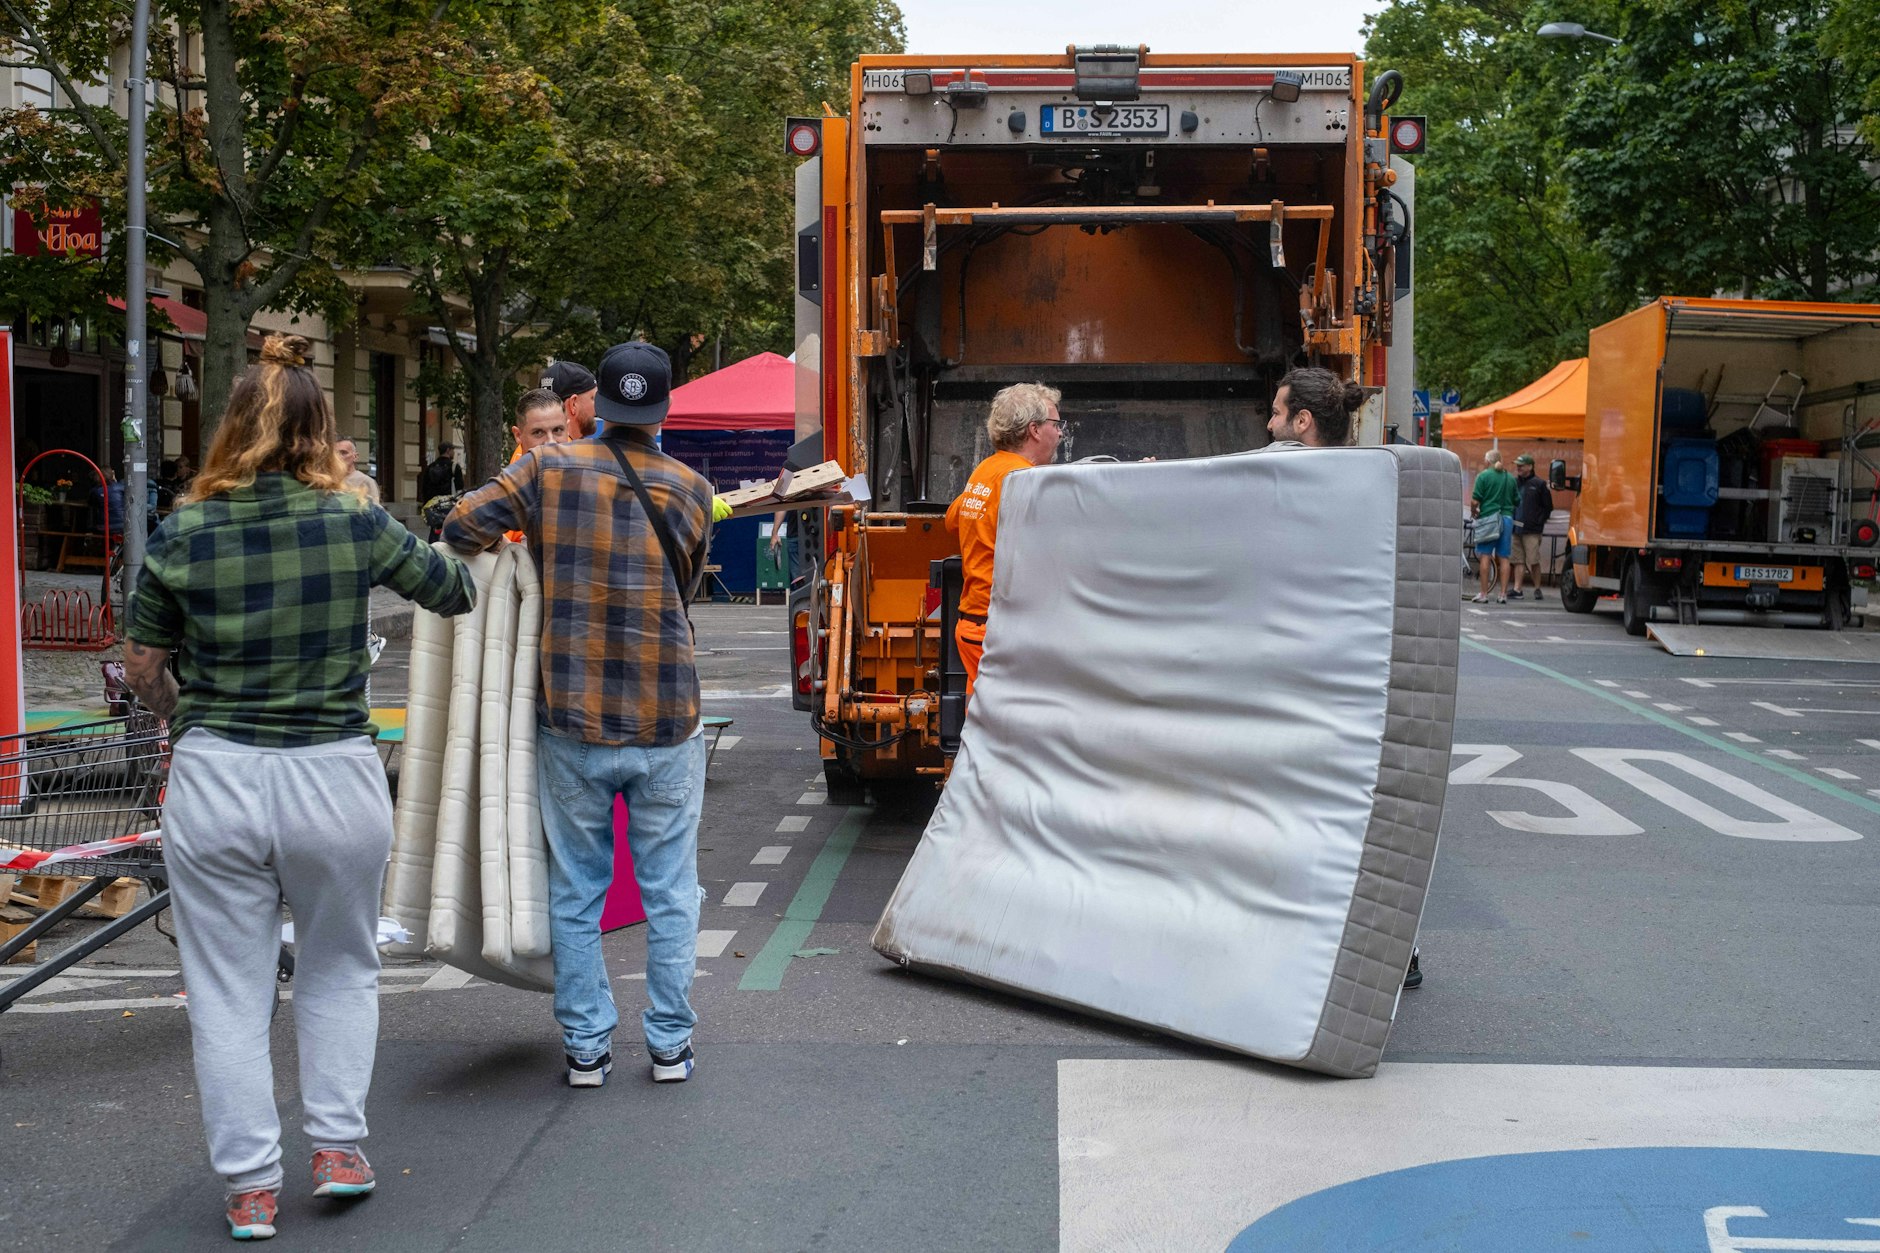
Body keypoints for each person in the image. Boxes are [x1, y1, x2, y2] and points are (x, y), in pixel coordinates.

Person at [123, 334, 475, 1241]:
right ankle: (339, 1146)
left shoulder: (182, 531)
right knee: (338, 965)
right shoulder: (353, 519)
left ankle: (248, 1186)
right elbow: (450, 590)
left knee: (229, 988)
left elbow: (142, 666)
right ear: (320, 433)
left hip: (217, 775)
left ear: (229, 429)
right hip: (332, 774)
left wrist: (174, 704)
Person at [443, 340, 714, 1091]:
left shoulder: (547, 468)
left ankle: (588, 1046)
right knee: (668, 890)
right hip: (667, 715)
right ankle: (669, 1045)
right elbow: (684, 585)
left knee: (577, 890)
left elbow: (462, 525)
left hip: (573, 714)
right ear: (660, 411)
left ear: (596, 406)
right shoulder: (691, 487)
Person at [945, 383, 1065, 693]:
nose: (1060, 433)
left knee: (981, 717)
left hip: (973, 625)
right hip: (1003, 629)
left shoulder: (987, 470)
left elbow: (953, 520)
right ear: (1034, 430)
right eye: (1055, 424)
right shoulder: (1025, 481)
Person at [1265, 366, 1363, 449]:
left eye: (1276, 413)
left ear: (1302, 421)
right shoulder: (1360, 469)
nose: (1269, 425)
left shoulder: (1272, 470)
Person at [1471, 449, 1518, 604]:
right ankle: (1503, 594)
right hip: (1507, 519)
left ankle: (1484, 594)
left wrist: (1474, 512)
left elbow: (1475, 501)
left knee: (1485, 555)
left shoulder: (1483, 476)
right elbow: (1517, 500)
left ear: (1487, 461)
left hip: (1489, 518)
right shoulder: (1510, 478)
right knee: (1504, 557)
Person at [1508, 452, 1554, 601]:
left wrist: (1538, 522)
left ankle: (1537, 588)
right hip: (1516, 528)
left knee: (1533, 560)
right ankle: (1517, 589)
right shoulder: (1515, 483)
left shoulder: (1539, 484)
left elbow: (1548, 507)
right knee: (1518, 560)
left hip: (1532, 529)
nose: (1518, 468)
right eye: (1517, 465)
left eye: (1521, 465)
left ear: (1530, 466)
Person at [540, 360, 599, 440]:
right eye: (593, 398)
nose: (597, 407)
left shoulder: (529, 449)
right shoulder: (568, 451)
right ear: (573, 404)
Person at [334, 437, 381, 504]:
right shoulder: (327, 481)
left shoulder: (366, 482)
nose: (339, 457)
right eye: (335, 453)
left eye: (344, 453)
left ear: (355, 457)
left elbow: (375, 510)